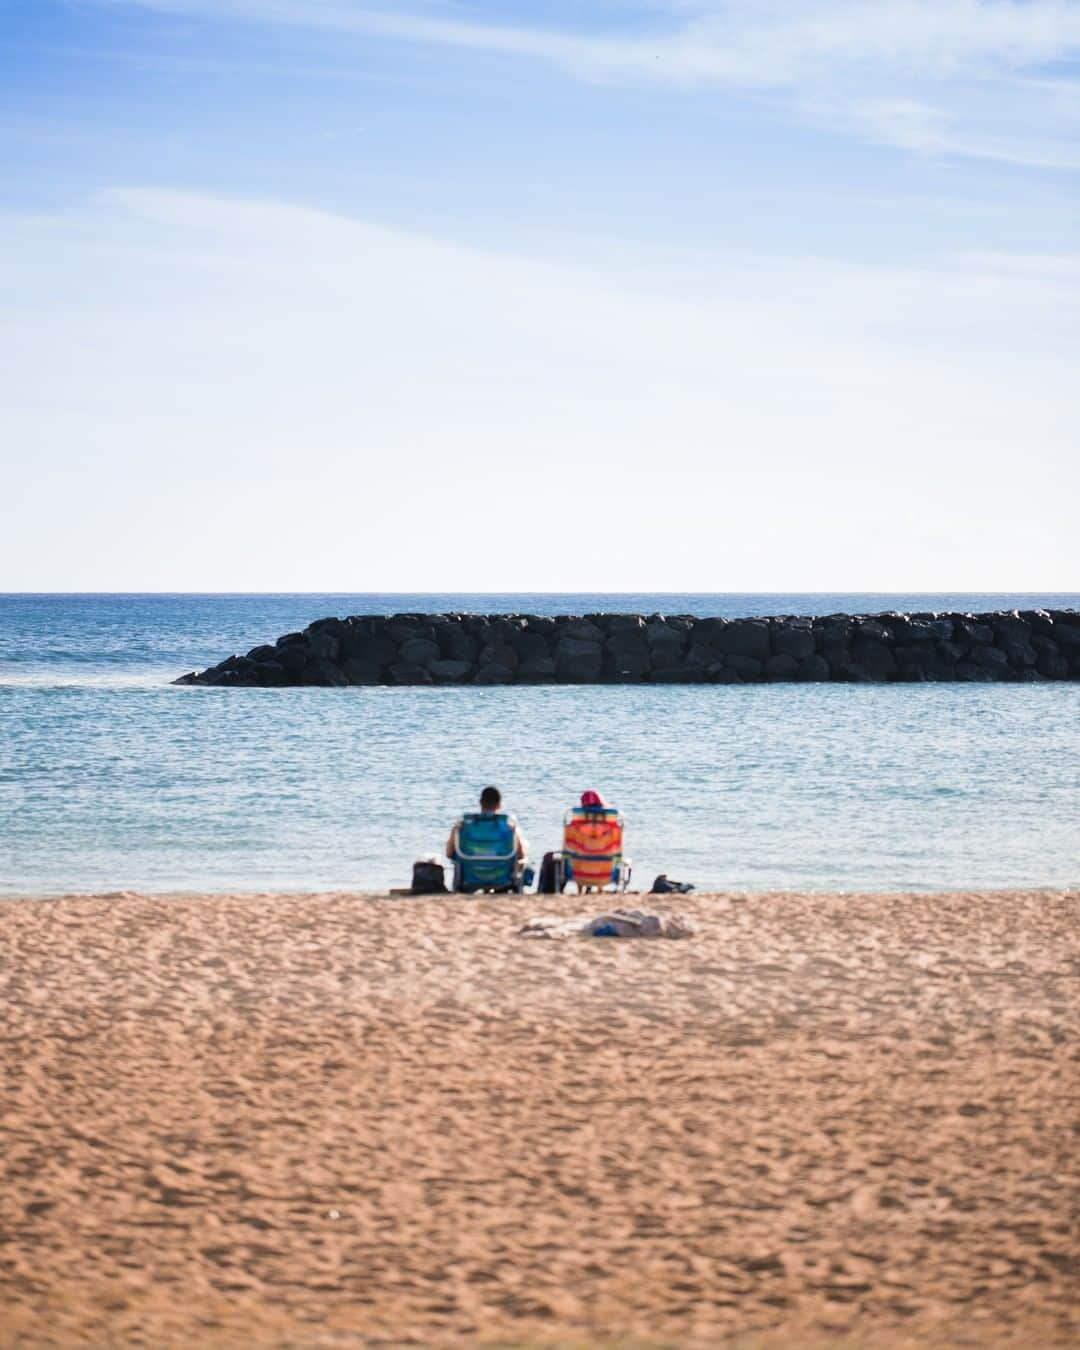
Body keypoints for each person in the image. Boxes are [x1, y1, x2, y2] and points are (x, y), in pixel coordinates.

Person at [446, 786, 529, 892]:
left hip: (470, 878)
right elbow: (521, 855)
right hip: (502, 879)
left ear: (480, 802)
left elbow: (449, 854)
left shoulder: (464, 826)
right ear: (499, 805)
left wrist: (454, 830)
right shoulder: (508, 826)